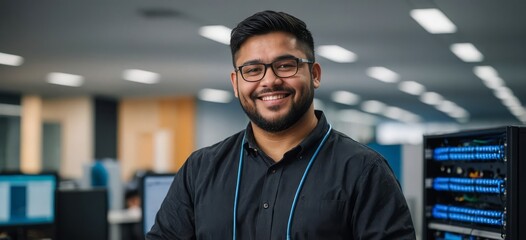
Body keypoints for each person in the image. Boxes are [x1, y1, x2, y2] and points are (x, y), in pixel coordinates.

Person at [147, 10, 416, 239]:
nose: (269, 81)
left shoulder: (364, 170)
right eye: (252, 70)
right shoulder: (200, 170)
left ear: (314, 74)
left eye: (285, 65)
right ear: (235, 83)